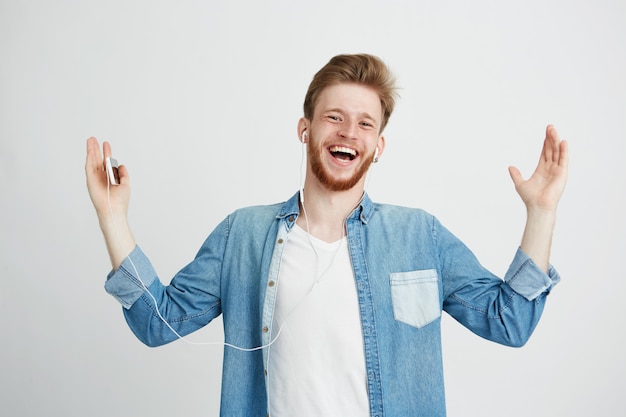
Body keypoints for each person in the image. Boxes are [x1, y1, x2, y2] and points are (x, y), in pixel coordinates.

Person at [85, 54, 568, 417]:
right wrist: (114, 218)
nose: (348, 133)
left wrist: (541, 213)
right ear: (306, 128)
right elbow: (158, 323)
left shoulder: (419, 235)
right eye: (334, 117)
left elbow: (510, 323)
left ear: (379, 146)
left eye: (365, 123)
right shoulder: (244, 234)